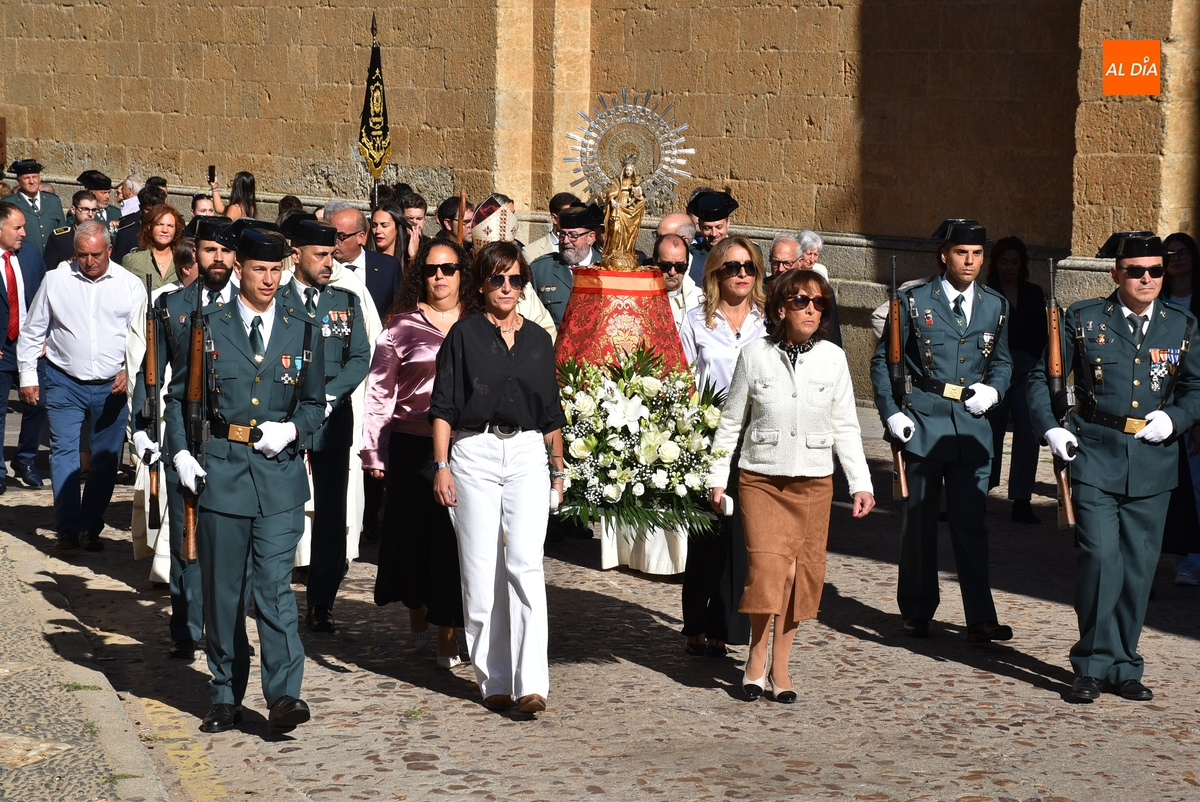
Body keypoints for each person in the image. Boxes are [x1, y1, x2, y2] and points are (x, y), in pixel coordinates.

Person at [164, 225, 326, 735]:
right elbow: (176, 399)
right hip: (222, 471)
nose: (270, 279)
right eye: (260, 270)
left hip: (278, 477)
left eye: (277, 270)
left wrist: (294, 428)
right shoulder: (206, 325)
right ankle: (224, 693)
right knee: (224, 593)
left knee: (276, 587)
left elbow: (317, 402)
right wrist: (181, 453)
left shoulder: (304, 326)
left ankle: (284, 696)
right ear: (239, 270)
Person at [1029, 232, 1200, 702]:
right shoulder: (1083, 320)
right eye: (1136, 271)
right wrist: (1052, 427)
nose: (1147, 279)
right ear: (1115, 274)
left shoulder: (1181, 325)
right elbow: (1042, 380)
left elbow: (1195, 388)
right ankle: (1090, 663)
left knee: (1140, 568)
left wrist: (1176, 418)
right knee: (1101, 559)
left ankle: (1125, 663)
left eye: (1156, 271)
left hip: (1153, 460)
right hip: (1095, 453)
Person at [708, 269, 874, 702]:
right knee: (768, 570)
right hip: (761, 478)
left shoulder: (834, 358)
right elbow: (731, 422)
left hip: (814, 482)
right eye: (801, 301)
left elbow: (847, 425)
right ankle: (755, 657)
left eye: (819, 303)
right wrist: (715, 478)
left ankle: (781, 665)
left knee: (799, 576)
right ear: (781, 307)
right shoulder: (755, 354)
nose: (811, 310)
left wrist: (861, 482)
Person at [429, 241, 565, 715]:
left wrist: (558, 469)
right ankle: (495, 681)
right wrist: (442, 466)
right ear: (482, 284)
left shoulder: (538, 341)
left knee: (526, 564)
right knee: (481, 568)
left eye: (515, 279)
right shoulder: (463, 336)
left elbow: (551, 414)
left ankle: (533, 685)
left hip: (528, 452)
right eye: (496, 279)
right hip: (474, 453)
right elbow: (443, 406)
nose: (506, 288)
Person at [869, 220, 1013, 642]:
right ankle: (916, 608)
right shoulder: (913, 300)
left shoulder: (995, 305)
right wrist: (892, 413)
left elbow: (1003, 362)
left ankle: (981, 616)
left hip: (971, 427)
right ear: (944, 255)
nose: (970, 261)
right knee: (919, 522)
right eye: (961, 253)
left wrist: (994, 390)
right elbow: (884, 363)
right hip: (924, 420)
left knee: (971, 524)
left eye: (977, 254)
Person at [127, 215, 234, 659]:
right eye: (211, 250)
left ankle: (224, 627)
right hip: (185, 434)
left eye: (227, 252)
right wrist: (145, 429)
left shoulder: (252, 305)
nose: (220, 259)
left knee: (227, 541)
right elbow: (150, 374)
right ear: (196, 253)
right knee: (184, 541)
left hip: (233, 439)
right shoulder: (171, 306)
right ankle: (186, 628)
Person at [363, 238, 468, 668]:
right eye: (430, 269)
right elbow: (379, 395)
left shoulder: (479, 325)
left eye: (448, 268)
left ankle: (449, 632)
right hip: (411, 444)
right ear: (419, 276)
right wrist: (374, 453)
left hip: (465, 447)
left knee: (451, 542)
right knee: (413, 539)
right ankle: (418, 613)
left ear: (464, 273)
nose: (439, 276)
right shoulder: (400, 328)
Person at [18, 222, 143, 552]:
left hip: (112, 386)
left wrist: (129, 369)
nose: (89, 261)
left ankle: (91, 525)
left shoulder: (129, 285)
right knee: (64, 453)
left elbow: (142, 337)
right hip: (64, 381)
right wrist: (28, 376)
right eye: (83, 255)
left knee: (106, 459)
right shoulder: (56, 281)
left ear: (110, 251)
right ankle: (68, 528)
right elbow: (33, 331)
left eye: (96, 255)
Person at [279, 220, 371, 632]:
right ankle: (274, 593)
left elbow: (360, 356)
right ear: (296, 255)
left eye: (332, 254)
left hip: (332, 422)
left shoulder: (346, 302)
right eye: (320, 255)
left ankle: (321, 602)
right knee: (281, 508)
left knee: (332, 513)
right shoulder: (276, 299)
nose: (329, 262)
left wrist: (329, 398)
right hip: (285, 422)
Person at [678, 235, 768, 657]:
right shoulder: (697, 319)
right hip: (708, 434)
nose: (742, 275)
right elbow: (682, 377)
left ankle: (725, 626)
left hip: (754, 434)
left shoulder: (768, 321)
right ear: (716, 272)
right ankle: (695, 619)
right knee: (708, 533)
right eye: (733, 267)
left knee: (741, 537)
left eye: (749, 267)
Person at [984, 236, 1047, 524]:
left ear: (1022, 264)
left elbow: (1043, 336)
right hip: (994, 368)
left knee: (1028, 432)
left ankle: (1021, 499)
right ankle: (979, 492)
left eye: (1014, 262)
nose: (1009, 267)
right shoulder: (986, 292)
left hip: (1026, 369)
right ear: (995, 264)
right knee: (988, 431)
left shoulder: (1033, 293)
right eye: (1003, 262)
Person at [1160, 232, 1200, 584]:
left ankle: (1195, 558)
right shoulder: (1157, 300)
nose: (1176, 258)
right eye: (1169, 253)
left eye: (1182, 252)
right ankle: (1181, 557)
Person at [0, 204, 48, 492]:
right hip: (2, 348)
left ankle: (25, 460)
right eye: (17, 228)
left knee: (36, 404)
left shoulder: (30, 254)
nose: (24, 232)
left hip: (30, 345)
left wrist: (45, 337)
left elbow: (45, 296)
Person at [528, 204, 601, 328]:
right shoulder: (539, 270)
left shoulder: (606, 269)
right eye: (562, 234)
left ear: (591, 237)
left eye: (573, 235)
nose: (566, 241)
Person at [767, 233, 844, 346]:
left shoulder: (820, 291)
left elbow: (831, 335)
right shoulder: (760, 290)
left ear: (799, 261)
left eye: (787, 263)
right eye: (775, 262)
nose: (781, 269)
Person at [330, 206, 401, 319]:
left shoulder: (388, 267)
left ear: (360, 237)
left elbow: (399, 311)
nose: (335, 242)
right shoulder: (325, 267)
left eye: (341, 236)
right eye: (332, 236)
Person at [685, 190, 749, 284]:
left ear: (728, 223)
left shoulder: (747, 251)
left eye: (719, 227)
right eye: (708, 228)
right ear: (700, 226)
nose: (714, 234)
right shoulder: (691, 254)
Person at [5, 159, 66, 254]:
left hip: (53, 261)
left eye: (34, 177)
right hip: (24, 259)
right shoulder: (8, 204)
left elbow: (63, 233)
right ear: (18, 182)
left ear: (39, 179)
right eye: (27, 178)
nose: (32, 181)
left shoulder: (53, 201)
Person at [122, 204, 185, 292]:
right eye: (159, 224)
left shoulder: (184, 261)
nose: (165, 230)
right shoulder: (132, 260)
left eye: (170, 226)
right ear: (149, 227)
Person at [654, 233, 703, 330]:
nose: (672, 272)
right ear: (654, 261)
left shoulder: (701, 301)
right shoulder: (639, 297)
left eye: (680, 267)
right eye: (665, 266)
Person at [112, 184, 167, 265]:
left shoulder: (169, 231)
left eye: (156, 210)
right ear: (140, 208)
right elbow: (118, 265)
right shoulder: (127, 234)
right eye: (148, 210)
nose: (152, 214)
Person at [44, 190, 100, 269]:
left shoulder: (101, 235)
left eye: (94, 210)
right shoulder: (60, 238)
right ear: (73, 209)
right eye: (85, 209)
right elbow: (50, 270)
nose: (90, 214)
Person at [523, 191, 582, 263]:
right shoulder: (530, 252)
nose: (574, 222)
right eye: (568, 217)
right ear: (554, 218)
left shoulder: (587, 247)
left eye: (577, 217)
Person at [396, 191, 430, 262]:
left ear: (424, 219)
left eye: (419, 218)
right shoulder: (395, 242)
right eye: (410, 218)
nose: (415, 222)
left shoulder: (429, 245)